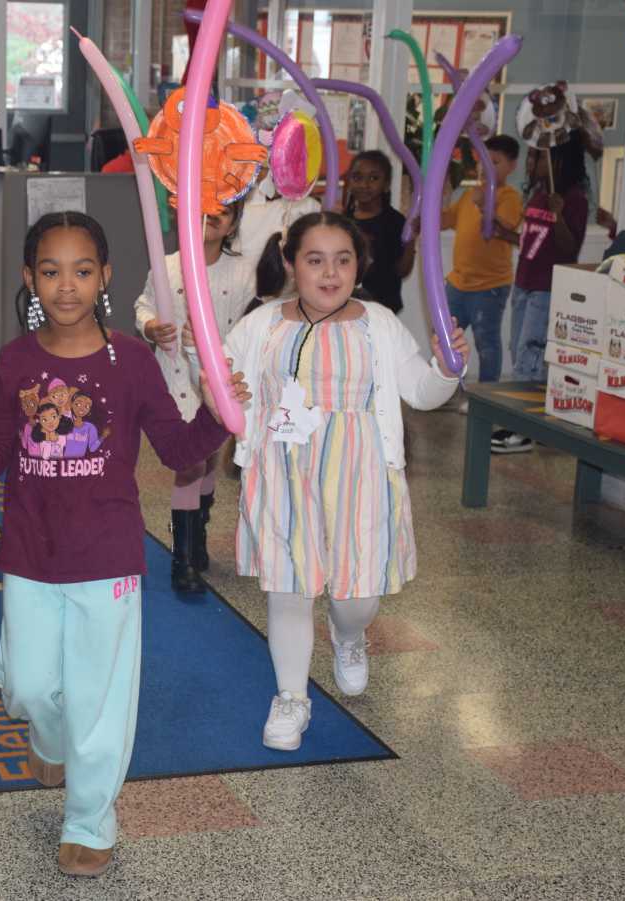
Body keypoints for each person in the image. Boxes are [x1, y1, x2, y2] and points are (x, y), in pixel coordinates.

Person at [0, 211, 247, 877]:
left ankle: (90, 818)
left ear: (107, 276)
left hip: (109, 556)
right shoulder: (16, 360)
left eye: (83, 270)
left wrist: (216, 411)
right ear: (30, 277)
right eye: (50, 270)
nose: (67, 285)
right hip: (31, 554)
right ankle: (50, 738)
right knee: (29, 686)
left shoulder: (132, 361)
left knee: (100, 696)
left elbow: (180, 452)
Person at [207, 211, 466, 752]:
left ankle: (348, 636)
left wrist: (447, 369)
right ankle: (291, 697)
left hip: (361, 475)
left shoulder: (379, 322)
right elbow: (221, 392)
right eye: (315, 259)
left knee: (357, 596)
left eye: (342, 259)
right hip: (283, 472)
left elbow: (422, 391)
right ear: (289, 263)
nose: (329, 273)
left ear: (358, 264)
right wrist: (221, 389)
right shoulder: (261, 325)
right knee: (290, 589)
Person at [134, 201, 254, 592]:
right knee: (188, 463)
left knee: (208, 459)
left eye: (223, 210)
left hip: (217, 380)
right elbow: (144, 304)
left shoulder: (243, 272)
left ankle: (198, 530)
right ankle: (182, 557)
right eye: (205, 207)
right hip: (173, 378)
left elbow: (248, 324)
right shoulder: (168, 265)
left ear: (234, 222)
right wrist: (151, 326)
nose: (212, 216)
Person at [492, 131, 590, 455]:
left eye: (538, 157)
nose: (531, 163)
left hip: (546, 289)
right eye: (532, 156)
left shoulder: (573, 198)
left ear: (559, 161)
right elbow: (529, 242)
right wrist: (504, 233)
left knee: (530, 356)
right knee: (520, 351)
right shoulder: (536, 196)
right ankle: (527, 422)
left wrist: (559, 214)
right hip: (524, 284)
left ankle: (522, 430)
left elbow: (570, 248)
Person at [440, 134, 523, 395]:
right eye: (483, 161)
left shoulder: (509, 196)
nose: (487, 167)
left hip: (489, 286)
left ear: (512, 166)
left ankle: (486, 397)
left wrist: (483, 204)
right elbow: (444, 220)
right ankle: (446, 387)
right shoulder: (468, 195)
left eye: (495, 162)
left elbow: (501, 228)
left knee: (486, 344)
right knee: (444, 336)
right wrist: (441, 194)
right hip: (457, 282)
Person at [343, 150, 415, 313]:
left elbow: (402, 270)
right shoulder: (343, 221)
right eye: (357, 177)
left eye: (374, 178)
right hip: (346, 305)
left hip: (382, 307)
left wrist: (411, 240)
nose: (364, 184)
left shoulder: (395, 222)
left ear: (386, 184)